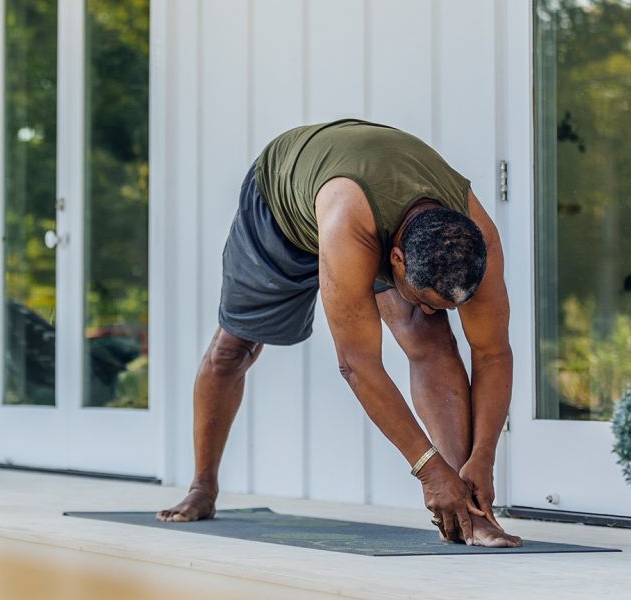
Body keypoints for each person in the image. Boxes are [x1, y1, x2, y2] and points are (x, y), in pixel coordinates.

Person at [156, 119, 522, 548]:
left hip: (374, 206)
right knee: (232, 351)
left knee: (432, 338)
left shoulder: (478, 241)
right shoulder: (351, 224)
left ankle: (468, 513)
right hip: (280, 205)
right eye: (424, 298)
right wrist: (427, 468)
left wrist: (483, 458)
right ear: (397, 261)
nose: (427, 309)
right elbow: (357, 364)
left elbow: (494, 354)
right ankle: (203, 487)